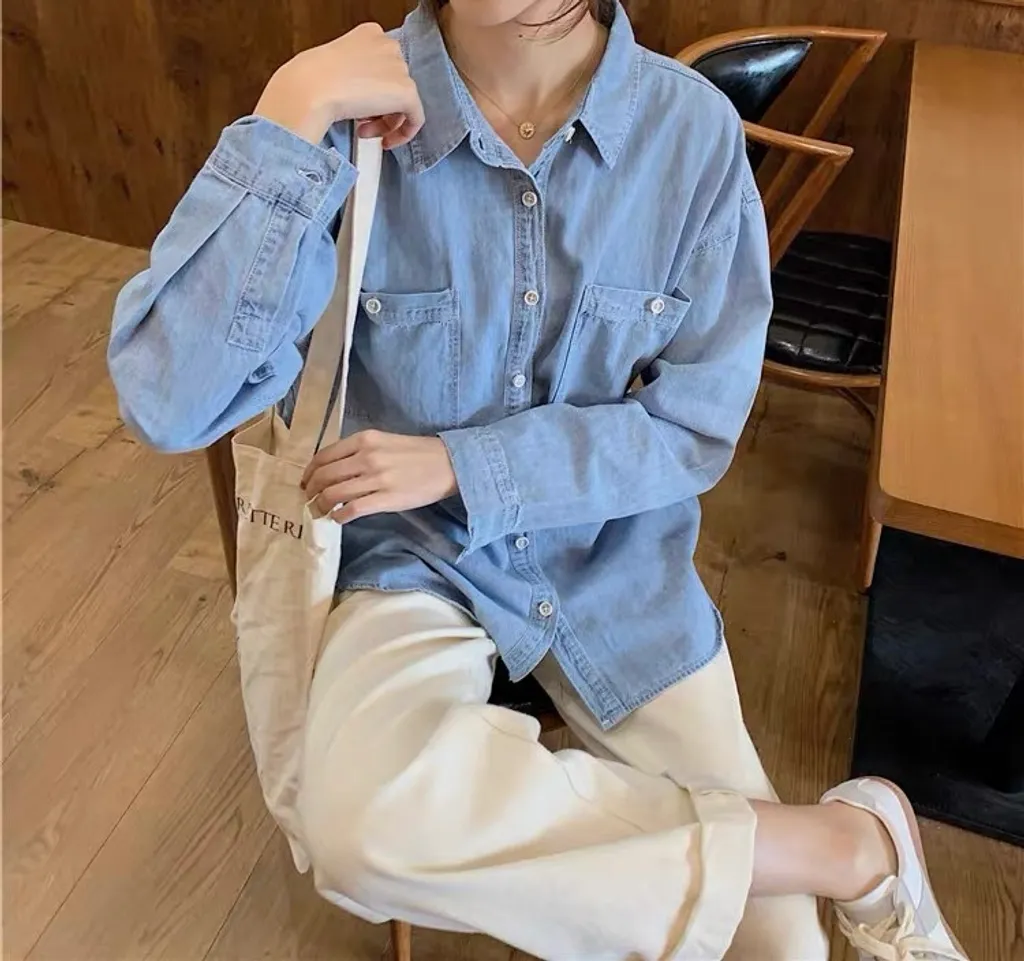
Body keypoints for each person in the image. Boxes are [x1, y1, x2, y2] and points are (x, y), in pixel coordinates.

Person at [108, 1, 968, 958]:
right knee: (361, 831)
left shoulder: (688, 135)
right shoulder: (342, 115)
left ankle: (818, 849)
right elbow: (168, 400)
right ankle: (846, 844)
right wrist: (293, 106)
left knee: (782, 945)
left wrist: (466, 463)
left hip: (613, 562)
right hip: (411, 561)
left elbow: (693, 424)